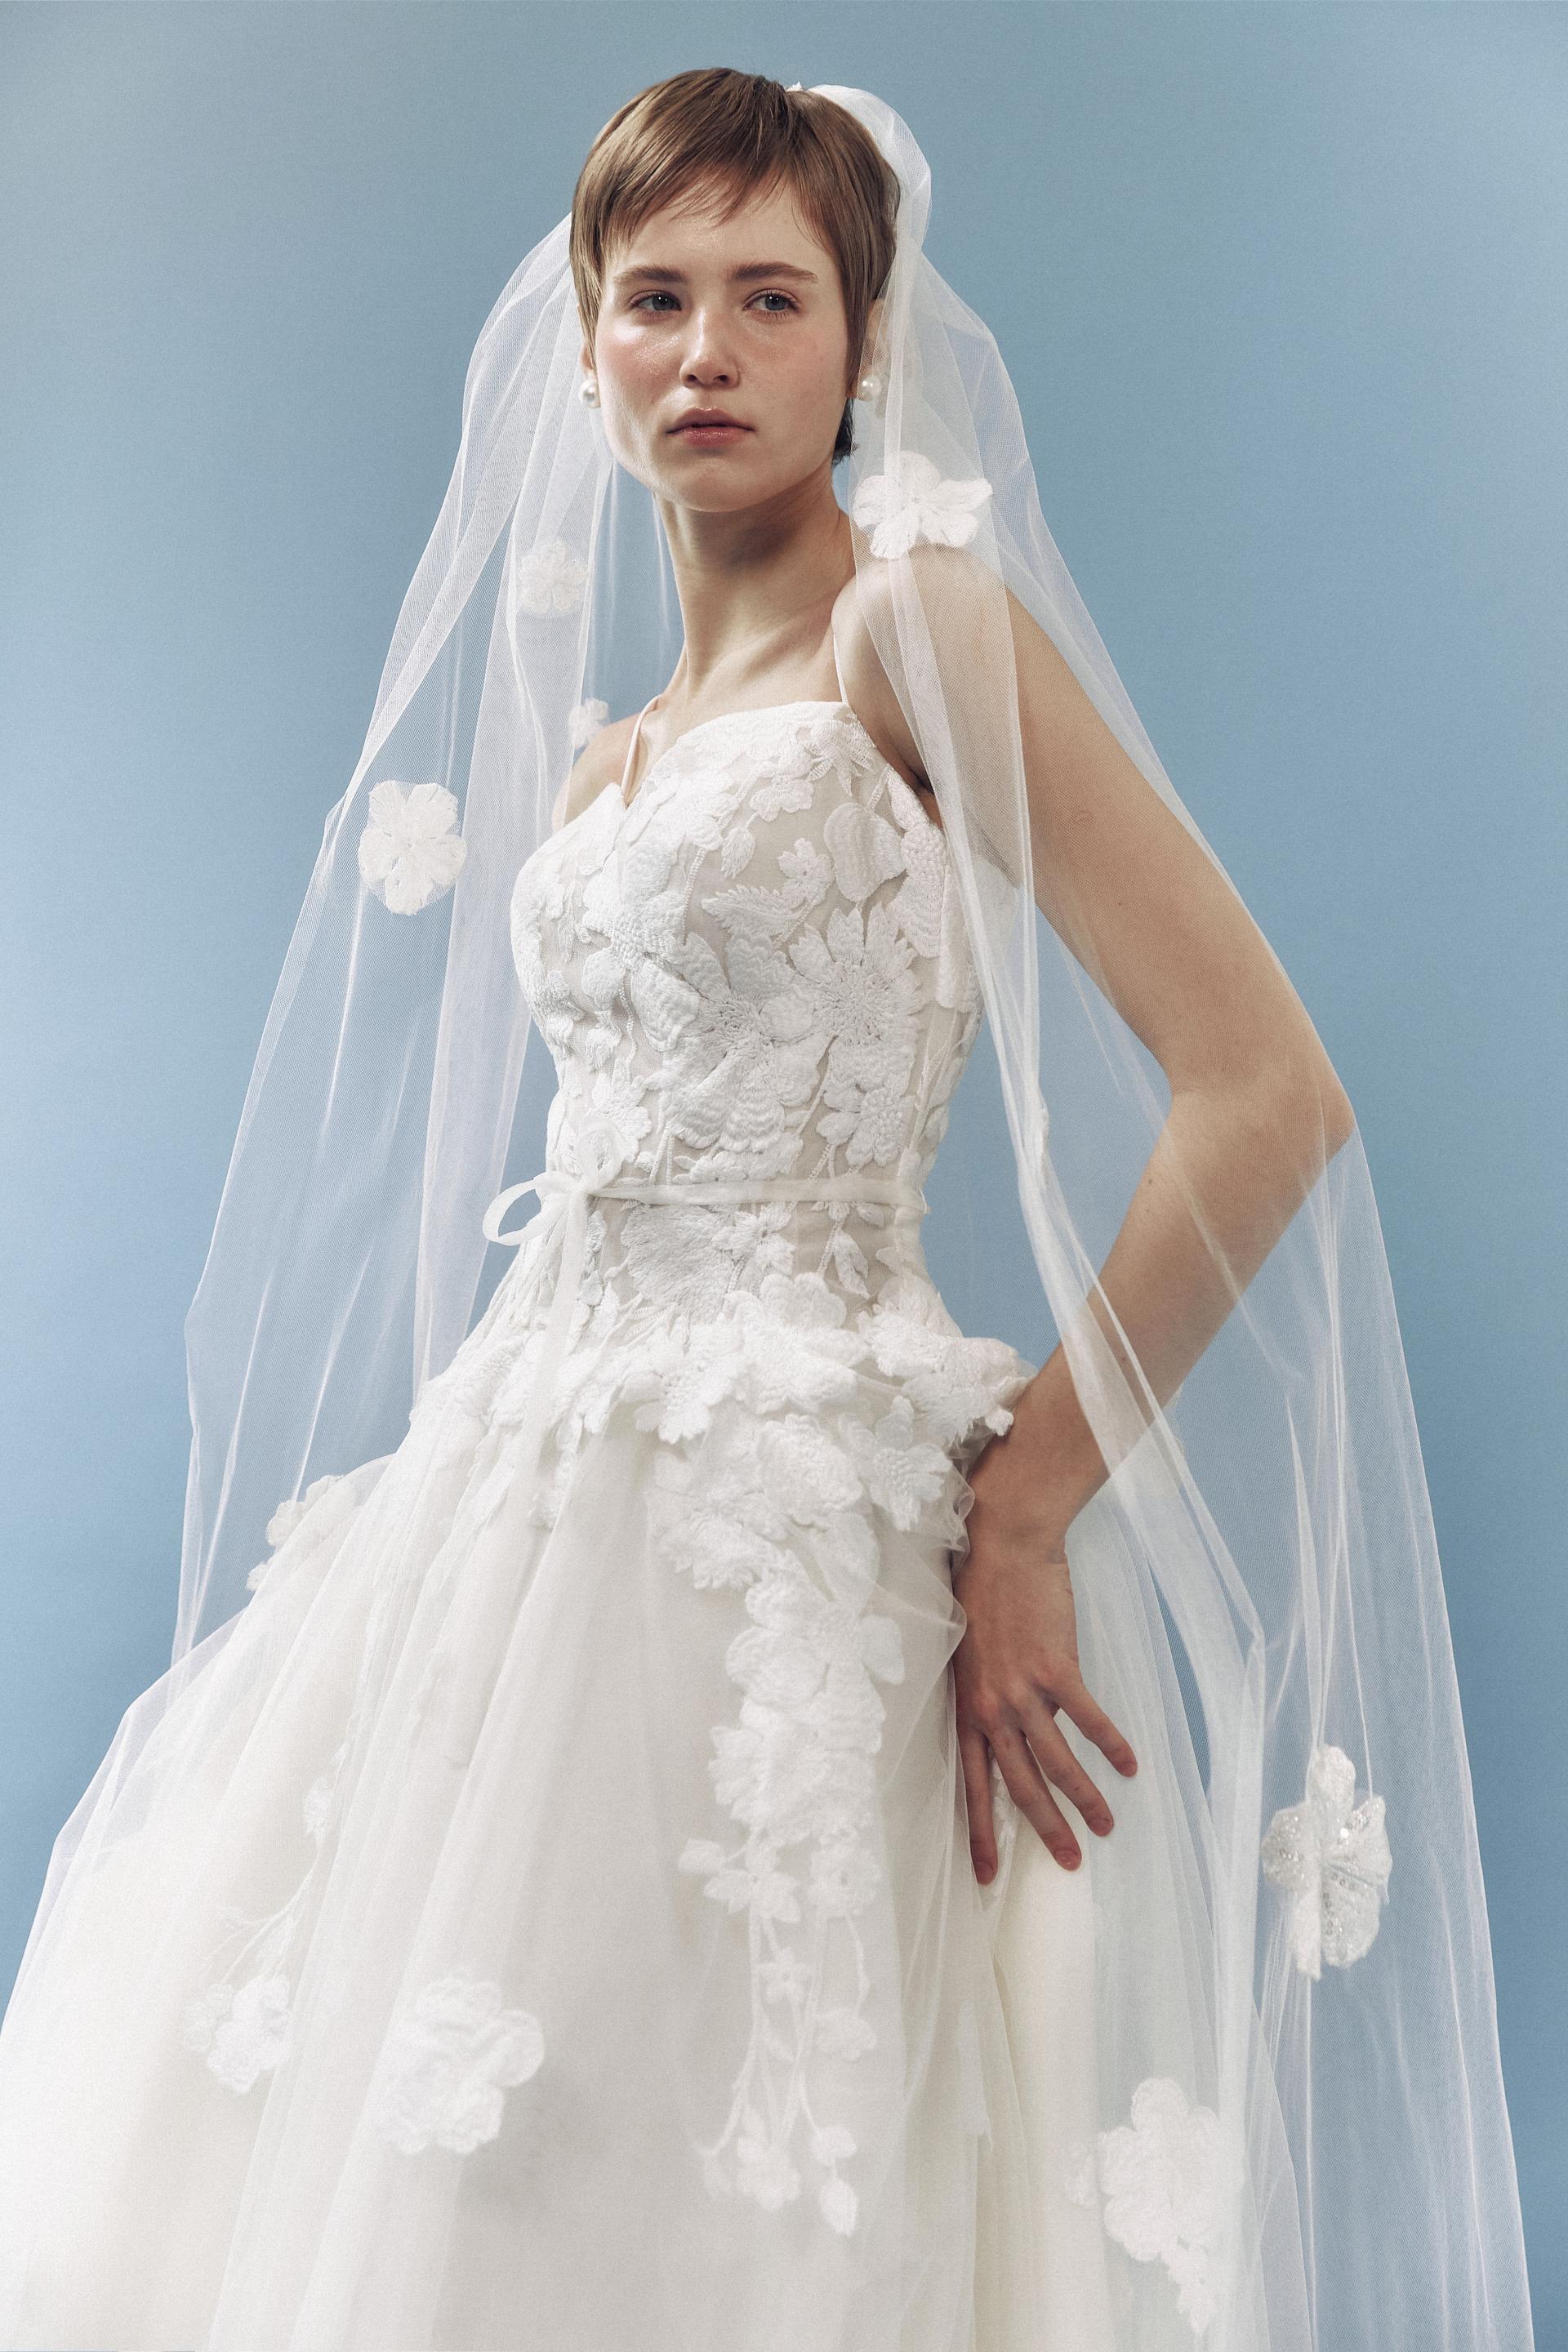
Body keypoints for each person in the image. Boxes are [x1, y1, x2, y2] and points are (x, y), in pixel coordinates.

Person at [0, 69, 1535, 2352]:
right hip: (528, 1502)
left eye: (770, 297)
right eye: (653, 298)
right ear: (584, 344)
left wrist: (1029, 1504)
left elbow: (1264, 1092)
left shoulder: (914, 631)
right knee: (475, 2140)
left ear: (866, 338)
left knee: (769, 2158)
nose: (704, 351)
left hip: (802, 1531)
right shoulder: (611, 751)